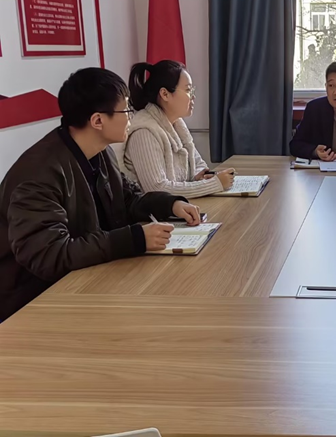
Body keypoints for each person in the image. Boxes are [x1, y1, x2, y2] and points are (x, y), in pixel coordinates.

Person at [0, 68, 202, 321]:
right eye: (126, 110)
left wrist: (170, 204)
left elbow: (126, 200)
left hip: (86, 279)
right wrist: (134, 239)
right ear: (97, 121)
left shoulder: (100, 151)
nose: (131, 117)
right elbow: (49, 256)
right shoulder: (37, 175)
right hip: (32, 302)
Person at [121, 60, 235, 197]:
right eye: (188, 90)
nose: (193, 96)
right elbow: (157, 189)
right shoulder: (144, 132)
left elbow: (198, 164)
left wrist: (200, 176)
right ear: (165, 94)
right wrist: (215, 184)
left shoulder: (177, 123)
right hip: (156, 211)